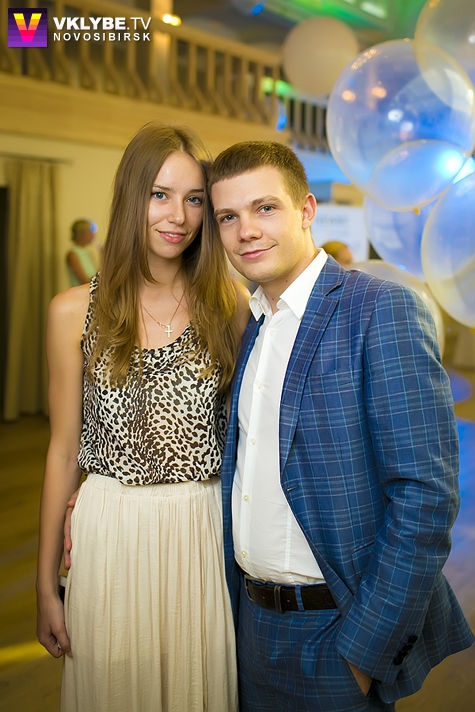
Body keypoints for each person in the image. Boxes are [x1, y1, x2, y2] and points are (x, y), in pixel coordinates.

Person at [207, 140, 474, 712]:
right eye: (228, 216)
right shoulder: (250, 324)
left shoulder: (380, 309)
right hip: (250, 628)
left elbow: (425, 495)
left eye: (265, 208)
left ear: (306, 210)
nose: (246, 230)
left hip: (338, 634)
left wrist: (363, 654)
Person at [36, 123, 249, 712]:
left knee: (196, 688)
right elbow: (63, 450)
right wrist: (46, 584)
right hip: (111, 527)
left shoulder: (227, 304)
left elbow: (250, 432)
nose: (178, 216)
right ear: (131, 195)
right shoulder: (72, 312)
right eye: (160, 194)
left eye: (194, 199)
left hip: (201, 528)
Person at [66, 219, 99, 286]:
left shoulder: (88, 253)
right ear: (80, 234)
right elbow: (85, 282)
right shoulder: (73, 254)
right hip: (80, 292)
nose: (93, 235)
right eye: (90, 232)